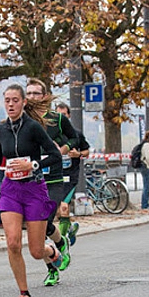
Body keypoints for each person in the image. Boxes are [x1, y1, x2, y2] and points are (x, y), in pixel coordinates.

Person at [0, 83, 62, 297]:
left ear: (24, 102)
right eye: (7, 100)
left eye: (15, 100)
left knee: (36, 251)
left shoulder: (34, 128)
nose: (10, 104)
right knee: (12, 242)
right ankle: (24, 294)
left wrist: (33, 164)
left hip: (34, 189)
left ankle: (52, 251)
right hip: (10, 190)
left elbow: (55, 155)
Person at [25, 78, 78, 286]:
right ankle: (52, 268)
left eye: (36, 93)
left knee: (44, 221)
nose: (31, 98)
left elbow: (75, 139)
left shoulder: (57, 119)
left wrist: (62, 150)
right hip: (30, 179)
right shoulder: (23, 120)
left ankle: (60, 242)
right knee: (34, 229)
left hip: (54, 178)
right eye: (28, 93)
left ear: (45, 96)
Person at [55, 102, 90, 245]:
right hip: (54, 176)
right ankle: (69, 228)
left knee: (64, 206)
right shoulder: (51, 133)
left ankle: (62, 242)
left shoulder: (76, 134)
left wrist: (78, 154)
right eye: (58, 115)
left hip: (70, 176)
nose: (61, 117)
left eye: (64, 115)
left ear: (69, 115)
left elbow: (87, 151)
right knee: (57, 211)